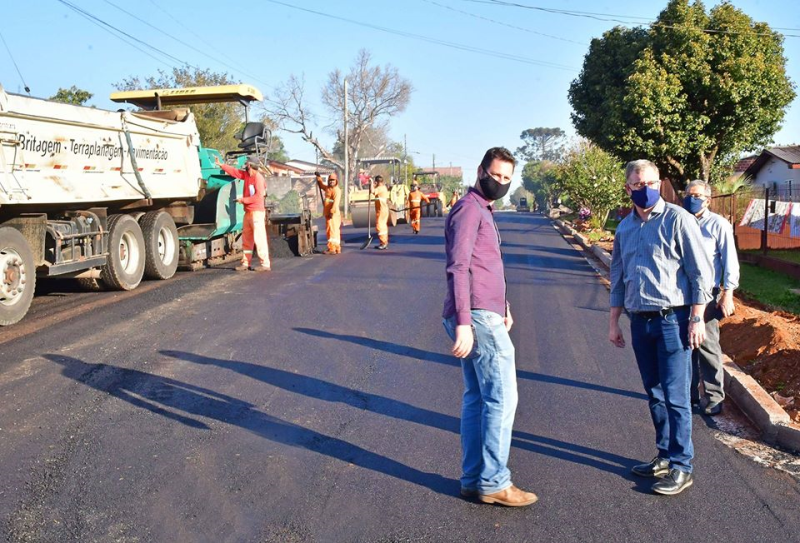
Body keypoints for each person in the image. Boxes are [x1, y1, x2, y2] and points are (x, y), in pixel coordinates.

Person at [609, 159, 713, 496]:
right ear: (628, 187)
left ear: (660, 183)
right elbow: (617, 277)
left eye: (651, 182)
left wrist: (697, 318)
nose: (645, 188)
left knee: (677, 395)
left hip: (674, 321)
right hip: (640, 322)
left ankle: (683, 465)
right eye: (638, 184)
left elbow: (701, 274)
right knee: (653, 392)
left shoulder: (678, 219)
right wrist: (614, 321)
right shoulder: (625, 227)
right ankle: (664, 455)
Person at [442, 146, 538, 507]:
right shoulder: (469, 210)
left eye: (506, 179)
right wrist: (465, 323)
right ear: (481, 170)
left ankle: (473, 478)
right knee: (502, 398)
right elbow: (459, 267)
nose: (500, 182)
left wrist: (504, 305)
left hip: (485, 311)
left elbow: (485, 267)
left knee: (478, 398)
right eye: (495, 175)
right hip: (476, 316)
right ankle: (494, 481)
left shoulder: (481, 208)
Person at [683, 180, 740, 416]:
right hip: (682, 294)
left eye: (696, 195)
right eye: (688, 194)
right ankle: (690, 395)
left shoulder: (719, 225)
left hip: (707, 295)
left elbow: (730, 261)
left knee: (707, 346)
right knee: (687, 346)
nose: (691, 199)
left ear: (708, 199)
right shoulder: (680, 221)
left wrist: (728, 293)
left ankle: (715, 397)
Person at [215, 155, 270, 272]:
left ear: (250, 165)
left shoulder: (258, 179)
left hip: (256, 212)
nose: (245, 165)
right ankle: (246, 263)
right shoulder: (247, 175)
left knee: (259, 239)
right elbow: (235, 172)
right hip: (248, 212)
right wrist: (222, 165)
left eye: (246, 163)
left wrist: (243, 200)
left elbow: (258, 196)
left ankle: (265, 264)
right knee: (247, 239)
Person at [316, 171, 342, 254]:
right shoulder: (328, 188)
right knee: (334, 230)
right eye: (330, 180)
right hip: (328, 213)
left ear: (336, 181)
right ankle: (337, 248)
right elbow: (321, 186)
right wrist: (318, 177)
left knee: (331, 230)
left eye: (333, 180)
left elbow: (336, 203)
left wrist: (332, 212)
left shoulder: (336, 190)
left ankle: (331, 249)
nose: (331, 181)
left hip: (333, 214)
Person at [372, 175, 390, 250]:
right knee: (383, 226)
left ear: (376, 182)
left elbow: (373, 192)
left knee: (379, 226)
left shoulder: (380, 188)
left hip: (382, 210)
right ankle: (384, 242)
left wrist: (371, 183)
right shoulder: (383, 188)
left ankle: (383, 243)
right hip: (383, 209)